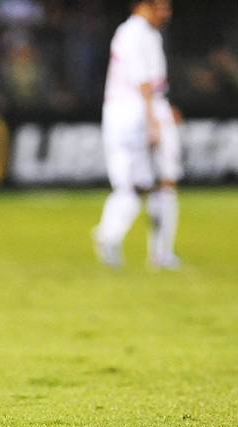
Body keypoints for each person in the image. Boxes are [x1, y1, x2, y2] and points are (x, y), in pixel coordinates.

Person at [94, 0, 181, 270]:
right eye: (163, 6)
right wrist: (153, 118)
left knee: (136, 185)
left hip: (127, 113)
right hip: (135, 115)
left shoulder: (132, 32)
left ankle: (112, 236)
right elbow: (142, 80)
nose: (167, 13)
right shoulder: (137, 33)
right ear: (145, 5)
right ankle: (155, 251)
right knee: (161, 182)